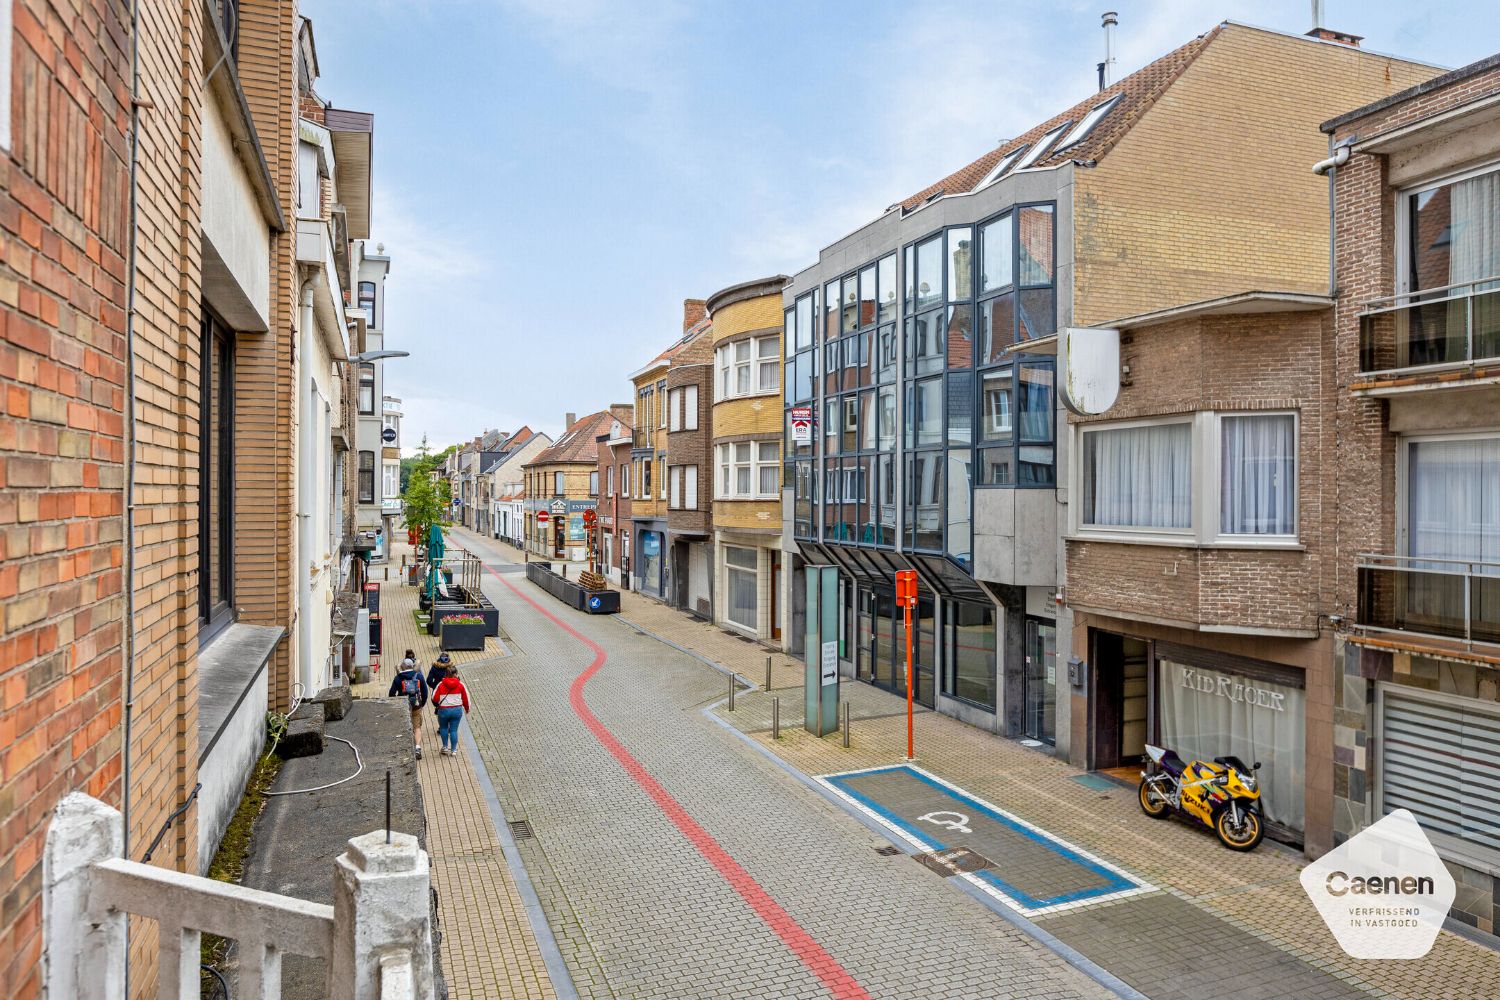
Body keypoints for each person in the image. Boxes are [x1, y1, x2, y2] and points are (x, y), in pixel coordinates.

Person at [387, 649, 427, 759]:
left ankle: (406, 748)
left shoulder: (398, 678)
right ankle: (417, 747)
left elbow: (391, 693)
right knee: (417, 727)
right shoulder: (418, 676)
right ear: (412, 666)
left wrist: (396, 703)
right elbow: (425, 691)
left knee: (405, 726)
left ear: (403, 667)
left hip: (403, 705)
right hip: (416, 705)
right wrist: (422, 703)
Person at [431, 664, 471, 756]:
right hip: (457, 710)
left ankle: (445, 747)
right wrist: (467, 708)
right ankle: (453, 750)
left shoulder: (441, 684)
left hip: (444, 710)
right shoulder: (461, 685)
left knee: (443, 728)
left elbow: (434, 698)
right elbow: (466, 698)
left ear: (446, 674)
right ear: (456, 674)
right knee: (453, 730)